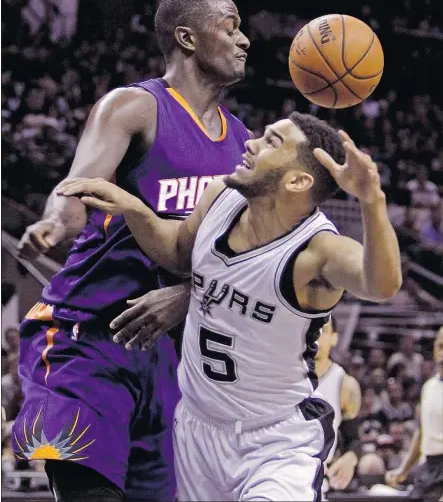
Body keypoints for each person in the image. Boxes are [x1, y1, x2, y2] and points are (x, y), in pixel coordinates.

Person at [59, 112, 403, 501]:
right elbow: (177, 251)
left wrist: (372, 200)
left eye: (271, 142)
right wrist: (136, 211)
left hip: (274, 443)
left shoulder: (318, 250)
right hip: (195, 430)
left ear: (297, 180)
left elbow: (382, 285)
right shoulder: (220, 195)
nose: (251, 143)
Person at [12, 0, 251, 502]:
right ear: (186, 37)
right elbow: (76, 189)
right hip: (88, 342)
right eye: (230, 26)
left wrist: (190, 295)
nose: (244, 39)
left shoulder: (242, 145)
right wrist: (56, 222)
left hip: (172, 365)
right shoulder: (135, 107)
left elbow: (247, 262)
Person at [386, 326, 443, 502]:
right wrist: (403, 470)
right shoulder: (428, 387)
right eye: (440, 346)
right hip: (430, 467)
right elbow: (421, 432)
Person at [315, 319, 362, 494]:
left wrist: (350, 457)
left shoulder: (345, 384)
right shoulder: (282, 375)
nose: (316, 336)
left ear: (334, 338)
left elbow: (353, 439)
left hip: (316, 480)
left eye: (323, 330)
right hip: (277, 470)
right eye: (311, 328)